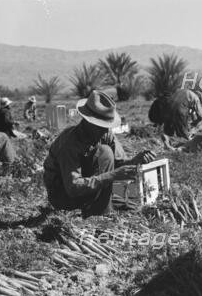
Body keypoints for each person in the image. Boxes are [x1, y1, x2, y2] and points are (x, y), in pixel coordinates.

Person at [43, 90, 155, 218]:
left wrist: (135, 161)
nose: (105, 129)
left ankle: (101, 205)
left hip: (87, 187)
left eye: (107, 125)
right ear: (88, 121)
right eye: (101, 125)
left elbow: (118, 164)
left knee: (128, 204)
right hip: (63, 195)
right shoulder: (70, 144)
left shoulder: (104, 134)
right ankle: (99, 214)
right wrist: (112, 175)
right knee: (105, 152)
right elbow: (73, 187)